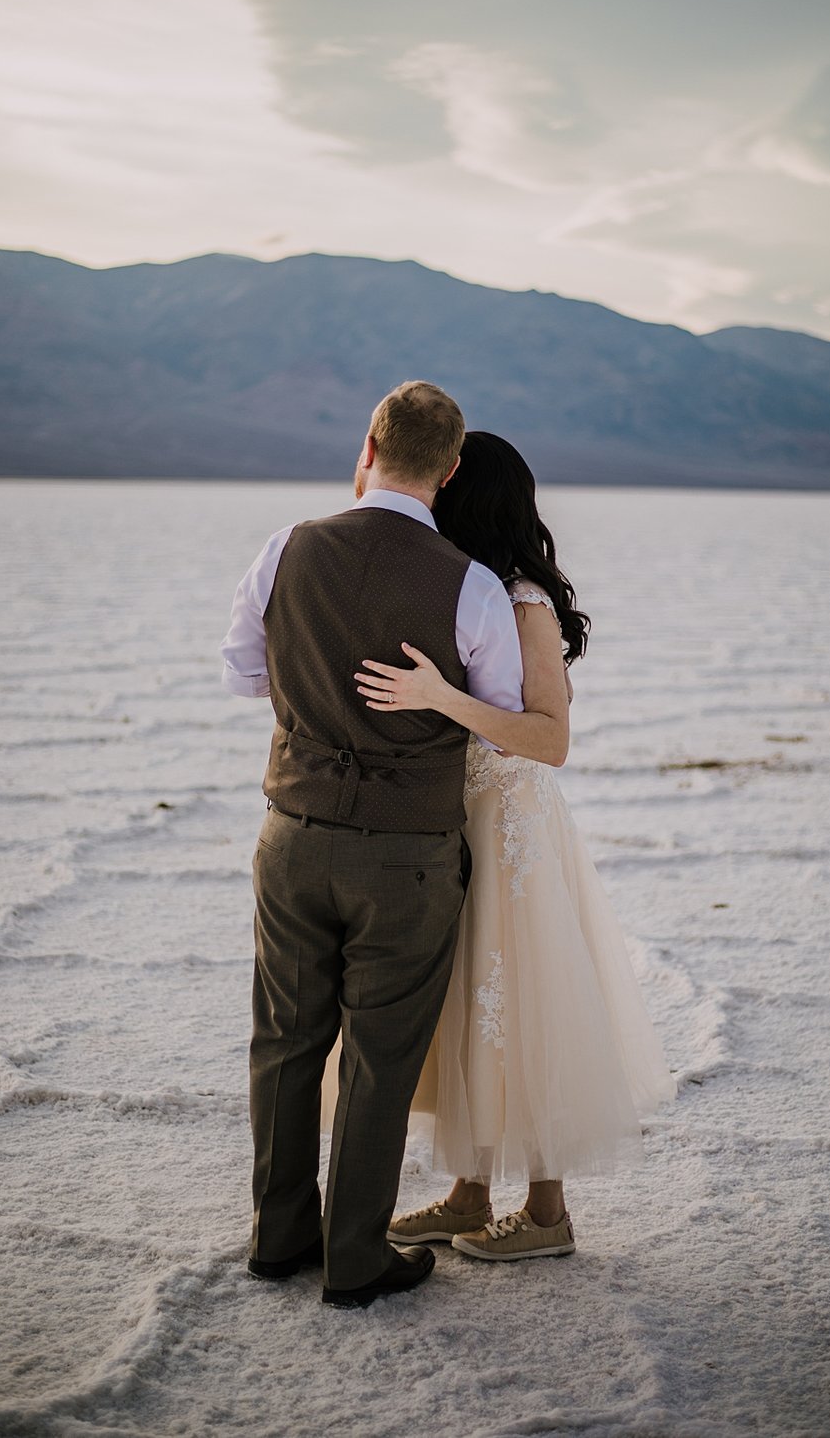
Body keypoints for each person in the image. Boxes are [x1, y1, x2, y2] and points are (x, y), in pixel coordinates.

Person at [219, 385, 525, 1307]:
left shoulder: (287, 546)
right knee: (380, 1055)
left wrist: (316, 683)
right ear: (452, 467)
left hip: (293, 836)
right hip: (407, 855)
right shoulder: (469, 583)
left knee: (284, 1039)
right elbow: (504, 722)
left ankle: (279, 1239)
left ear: (369, 445)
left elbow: (240, 674)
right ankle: (355, 1258)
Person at [349, 431, 677, 1262]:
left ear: (467, 495)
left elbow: (549, 738)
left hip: (511, 830)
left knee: (523, 1008)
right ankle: (467, 1194)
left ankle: (544, 1214)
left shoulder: (523, 597)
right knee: (469, 1010)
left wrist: (434, 697)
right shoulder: (466, 589)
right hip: (456, 822)